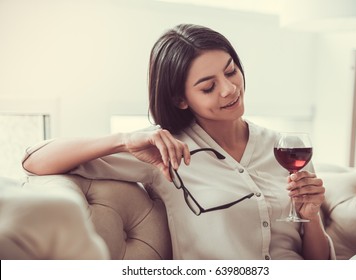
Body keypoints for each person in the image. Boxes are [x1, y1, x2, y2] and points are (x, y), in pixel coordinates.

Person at [22, 23, 335, 260]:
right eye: (208, 87)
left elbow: (322, 265)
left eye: (231, 71)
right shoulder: (164, 153)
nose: (229, 89)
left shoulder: (284, 147)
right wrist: (123, 140)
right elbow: (35, 160)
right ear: (180, 99)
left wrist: (310, 217)